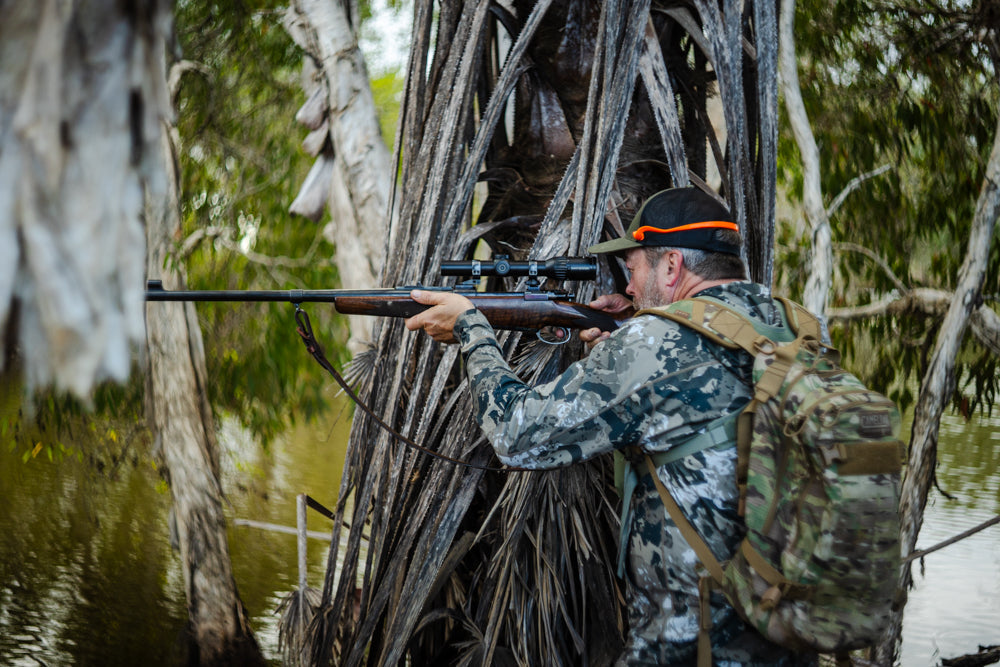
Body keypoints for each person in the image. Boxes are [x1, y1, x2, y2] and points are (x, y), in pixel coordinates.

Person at [404, 187, 817, 666]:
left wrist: (472, 329)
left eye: (634, 269)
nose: (627, 288)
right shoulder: (795, 327)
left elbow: (516, 436)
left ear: (672, 267)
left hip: (693, 647)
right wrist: (632, 334)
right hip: (788, 636)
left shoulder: (651, 342)